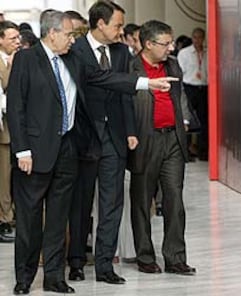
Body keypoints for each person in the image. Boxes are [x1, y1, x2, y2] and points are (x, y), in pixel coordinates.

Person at [8, 9, 177, 295]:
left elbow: (105, 78)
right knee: (30, 219)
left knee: (59, 218)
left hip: (67, 149)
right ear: (52, 34)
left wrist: (146, 83)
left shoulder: (74, 59)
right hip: (34, 153)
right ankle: (24, 279)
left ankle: (54, 277)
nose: (73, 41)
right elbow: (16, 106)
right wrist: (22, 150)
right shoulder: (27, 59)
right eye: (69, 35)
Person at [67, 0, 137, 285]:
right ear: (100, 23)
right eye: (118, 25)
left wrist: (131, 130)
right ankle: (76, 261)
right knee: (80, 204)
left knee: (112, 203)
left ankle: (105, 265)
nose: (121, 31)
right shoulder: (76, 50)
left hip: (115, 137)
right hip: (84, 137)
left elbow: (124, 93)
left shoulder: (121, 51)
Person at [128, 19, 196, 276]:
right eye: (165, 43)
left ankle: (175, 258)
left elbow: (180, 96)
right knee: (142, 201)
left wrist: (185, 121)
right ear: (148, 44)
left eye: (171, 42)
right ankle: (145, 256)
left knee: (175, 201)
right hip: (145, 141)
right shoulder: (131, 67)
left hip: (173, 141)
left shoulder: (173, 64)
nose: (170, 48)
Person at [0, 20, 20, 243]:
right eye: (12, 38)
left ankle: (10, 216)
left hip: (15, 129)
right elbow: (7, 86)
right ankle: (5, 220)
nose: (17, 42)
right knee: (3, 179)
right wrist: (13, 65)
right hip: (3, 129)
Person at [177, 27, 208, 160]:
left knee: (204, 121)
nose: (197, 40)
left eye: (200, 37)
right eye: (195, 37)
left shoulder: (208, 52)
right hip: (189, 87)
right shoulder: (184, 53)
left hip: (204, 88)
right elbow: (180, 72)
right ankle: (186, 151)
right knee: (187, 119)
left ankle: (203, 151)